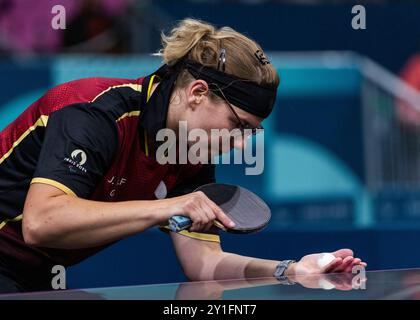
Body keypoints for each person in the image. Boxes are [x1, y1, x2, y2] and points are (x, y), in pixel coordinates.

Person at [0, 18, 366, 293]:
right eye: (237, 125)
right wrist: (167, 207)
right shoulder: (95, 114)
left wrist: (290, 271)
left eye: (249, 132)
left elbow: (204, 264)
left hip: (28, 275)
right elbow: (41, 222)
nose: (240, 145)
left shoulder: (188, 152)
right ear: (197, 93)